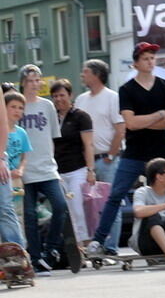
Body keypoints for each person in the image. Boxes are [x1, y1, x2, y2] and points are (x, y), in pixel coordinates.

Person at [87, 42, 165, 257]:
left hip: (160, 152)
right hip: (135, 152)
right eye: (145, 58)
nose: (150, 62)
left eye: (152, 58)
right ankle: (98, 241)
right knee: (116, 194)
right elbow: (130, 124)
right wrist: (158, 115)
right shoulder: (127, 89)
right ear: (136, 63)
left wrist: (144, 120)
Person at [19, 64, 70, 273]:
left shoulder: (47, 106)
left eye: (37, 80)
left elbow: (52, 138)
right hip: (24, 169)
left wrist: (54, 164)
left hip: (47, 167)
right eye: (30, 81)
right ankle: (35, 255)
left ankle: (52, 249)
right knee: (29, 215)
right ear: (23, 83)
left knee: (60, 206)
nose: (33, 85)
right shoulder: (16, 106)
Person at [75, 60, 126, 255]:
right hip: (87, 161)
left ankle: (111, 247)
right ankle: (95, 243)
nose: (82, 75)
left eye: (85, 71)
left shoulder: (112, 97)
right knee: (90, 205)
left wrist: (111, 156)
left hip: (107, 159)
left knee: (112, 202)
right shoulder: (80, 100)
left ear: (96, 75)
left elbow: (120, 129)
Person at [50, 79, 95, 247]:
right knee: (63, 209)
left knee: (77, 208)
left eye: (62, 95)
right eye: (55, 96)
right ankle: (71, 246)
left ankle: (83, 245)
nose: (58, 99)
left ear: (70, 95)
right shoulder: (51, 117)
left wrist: (91, 170)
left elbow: (88, 145)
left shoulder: (81, 117)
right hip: (57, 171)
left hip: (77, 169)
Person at [1, 91, 27, 246]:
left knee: (5, 208)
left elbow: (2, 124)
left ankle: (16, 252)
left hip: (4, 165)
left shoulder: (20, 132)